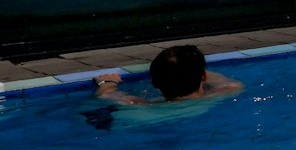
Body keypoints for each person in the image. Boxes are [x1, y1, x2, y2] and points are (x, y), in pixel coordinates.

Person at [93, 45, 242, 106]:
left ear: (154, 82)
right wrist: (190, 69)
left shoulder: (141, 105)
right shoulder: (224, 93)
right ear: (203, 77)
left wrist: (106, 82)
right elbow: (230, 83)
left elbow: (106, 94)